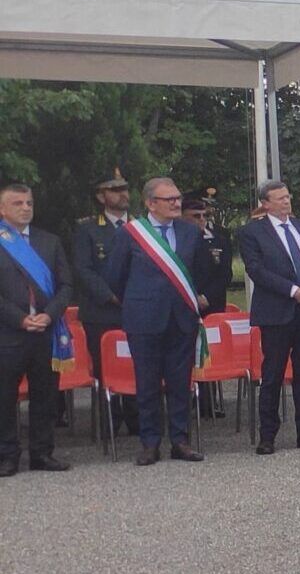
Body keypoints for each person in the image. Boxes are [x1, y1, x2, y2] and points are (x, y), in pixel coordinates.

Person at [105, 177, 216, 464]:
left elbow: (201, 270)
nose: (176, 203)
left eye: (177, 198)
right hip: (144, 319)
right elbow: (115, 277)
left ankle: (180, 441)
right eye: (169, 199)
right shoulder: (131, 234)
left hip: (181, 319)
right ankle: (149, 443)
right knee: (148, 383)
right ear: (150, 203)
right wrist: (140, 300)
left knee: (181, 383)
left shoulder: (189, 232)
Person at [234, 180, 300, 454]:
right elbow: (256, 271)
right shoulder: (252, 232)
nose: (286, 202)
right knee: (273, 374)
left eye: (287, 197)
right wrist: (294, 292)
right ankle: (267, 434)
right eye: (279, 198)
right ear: (265, 204)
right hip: (277, 313)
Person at [0, 183, 74, 475]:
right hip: (9, 333)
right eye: (18, 203)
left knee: (45, 396)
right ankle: (7, 455)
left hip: (45, 331)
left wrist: (49, 315)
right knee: (5, 397)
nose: (25, 208)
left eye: (29, 203)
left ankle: (42, 453)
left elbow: (66, 285)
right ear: (3, 209)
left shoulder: (49, 241)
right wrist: (19, 318)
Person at [70, 171, 134, 434]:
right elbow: (83, 269)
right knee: (105, 366)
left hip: (136, 308)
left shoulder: (140, 226)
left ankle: (137, 417)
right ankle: (109, 421)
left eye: (125, 188)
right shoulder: (87, 228)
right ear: (101, 196)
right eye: (115, 189)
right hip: (102, 311)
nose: (123, 194)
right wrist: (110, 296)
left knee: (135, 362)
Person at [182, 190, 234, 419]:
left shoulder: (219, 239)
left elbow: (225, 274)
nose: (201, 220)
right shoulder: (176, 240)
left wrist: (207, 297)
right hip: (185, 303)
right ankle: (185, 399)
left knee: (209, 352)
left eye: (204, 215)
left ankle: (208, 401)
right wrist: (193, 296)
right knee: (185, 352)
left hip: (212, 305)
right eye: (195, 216)